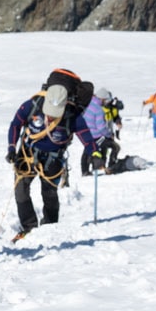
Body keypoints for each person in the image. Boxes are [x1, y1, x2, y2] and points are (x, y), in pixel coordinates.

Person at [7, 77, 96, 235]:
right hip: (27, 154)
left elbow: (87, 138)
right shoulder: (32, 105)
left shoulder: (72, 117)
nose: (50, 117)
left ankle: (50, 227)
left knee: (49, 192)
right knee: (20, 189)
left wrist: (95, 154)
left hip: (53, 158)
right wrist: (12, 148)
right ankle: (29, 227)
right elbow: (15, 124)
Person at [80, 89, 120, 174]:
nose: (107, 102)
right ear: (102, 99)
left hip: (86, 134)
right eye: (107, 100)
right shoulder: (98, 109)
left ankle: (85, 171)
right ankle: (111, 167)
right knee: (115, 147)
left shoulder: (89, 104)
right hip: (96, 136)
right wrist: (109, 135)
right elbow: (101, 127)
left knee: (88, 151)